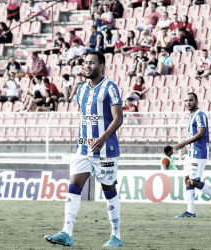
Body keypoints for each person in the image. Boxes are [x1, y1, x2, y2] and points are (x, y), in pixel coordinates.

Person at [44, 51, 124, 247]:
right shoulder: (81, 89)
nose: (87, 66)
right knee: (73, 188)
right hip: (83, 149)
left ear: (102, 66)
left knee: (109, 191)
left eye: (91, 63)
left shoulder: (110, 88)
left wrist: (103, 137)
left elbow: (118, 117)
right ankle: (66, 232)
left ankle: (116, 236)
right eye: (85, 63)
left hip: (105, 150)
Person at [174, 93, 211, 218]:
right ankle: (190, 211)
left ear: (197, 101)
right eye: (186, 100)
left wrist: (183, 143)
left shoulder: (200, 114)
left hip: (199, 152)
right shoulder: (191, 115)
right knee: (187, 180)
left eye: (191, 100)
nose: (188, 102)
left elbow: (201, 133)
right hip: (191, 152)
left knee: (194, 181)